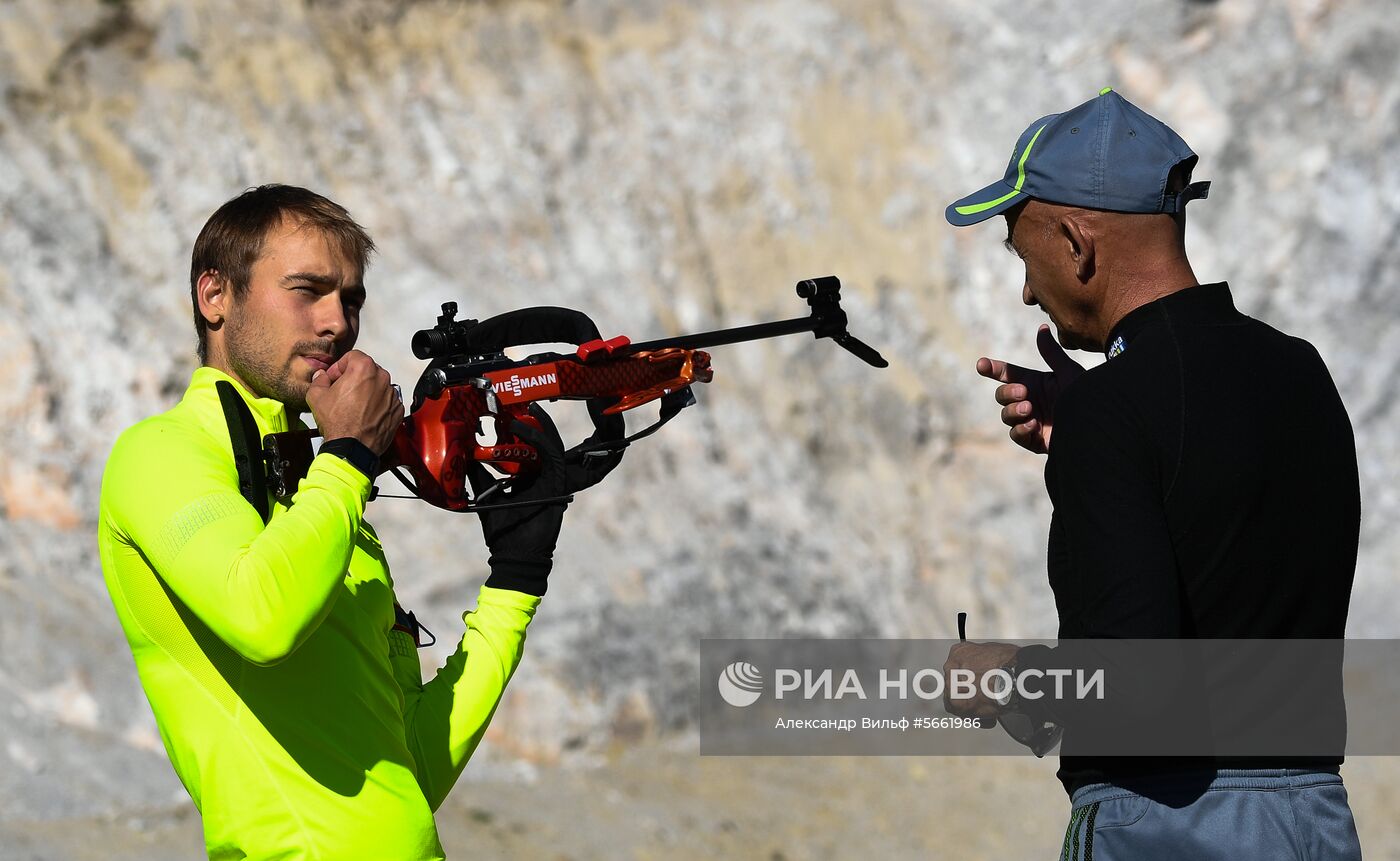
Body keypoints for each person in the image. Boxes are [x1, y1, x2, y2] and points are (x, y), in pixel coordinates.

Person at [97, 185, 617, 859]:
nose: (336, 322)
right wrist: (346, 456)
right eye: (307, 290)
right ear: (214, 296)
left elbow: (410, 771)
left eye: (351, 300)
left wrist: (514, 585)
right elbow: (262, 616)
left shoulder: (317, 492)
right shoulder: (160, 453)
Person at [940, 90, 1363, 859]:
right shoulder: (1301, 372)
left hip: (1174, 827)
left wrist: (1002, 678)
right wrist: (1094, 436)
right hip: (1315, 818)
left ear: (1075, 240)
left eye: (1021, 250)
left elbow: (1132, 686)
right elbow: (1220, 520)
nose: (1028, 288)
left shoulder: (1114, 412)